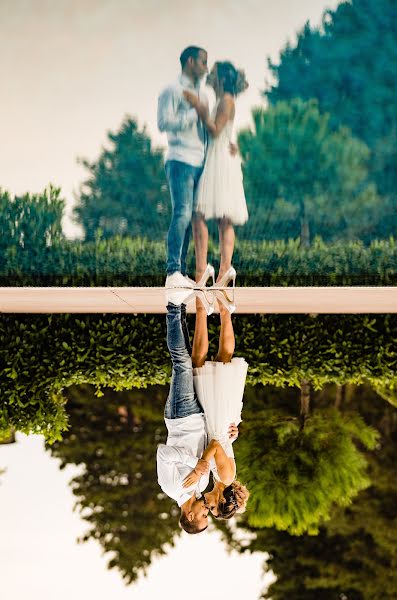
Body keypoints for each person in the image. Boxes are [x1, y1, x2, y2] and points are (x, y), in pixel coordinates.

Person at [183, 291, 250, 519]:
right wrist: (201, 464)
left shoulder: (219, 479)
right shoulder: (226, 478)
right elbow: (216, 445)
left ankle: (206, 310)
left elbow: (223, 447)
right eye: (212, 508)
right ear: (221, 500)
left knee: (201, 364)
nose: (208, 506)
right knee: (221, 360)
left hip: (217, 422)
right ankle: (222, 311)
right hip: (219, 420)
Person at [183, 61, 249, 288]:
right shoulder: (225, 100)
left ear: (221, 79)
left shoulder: (226, 101)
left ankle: (213, 270)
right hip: (222, 155)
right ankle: (223, 271)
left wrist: (201, 112)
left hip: (219, 159)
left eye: (213, 73)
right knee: (221, 218)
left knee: (203, 213)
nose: (209, 76)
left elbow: (216, 129)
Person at [156, 297, 210, 534]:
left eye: (203, 515)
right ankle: (181, 307)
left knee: (181, 363)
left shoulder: (170, 487)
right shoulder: (203, 485)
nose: (207, 511)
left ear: (190, 515)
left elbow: (163, 453)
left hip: (180, 416)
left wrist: (194, 465)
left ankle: (172, 306)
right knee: (188, 358)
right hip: (200, 416)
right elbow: (208, 448)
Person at [158, 46, 209, 288]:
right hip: (180, 159)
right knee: (182, 213)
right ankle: (173, 271)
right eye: (202, 62)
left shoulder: (203, 95)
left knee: (191, 218)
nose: (206, 68)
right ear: (190, 62)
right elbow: (162, 123)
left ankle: (182, 272)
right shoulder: (172, 90)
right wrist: (194, 113)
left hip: (200, 161)